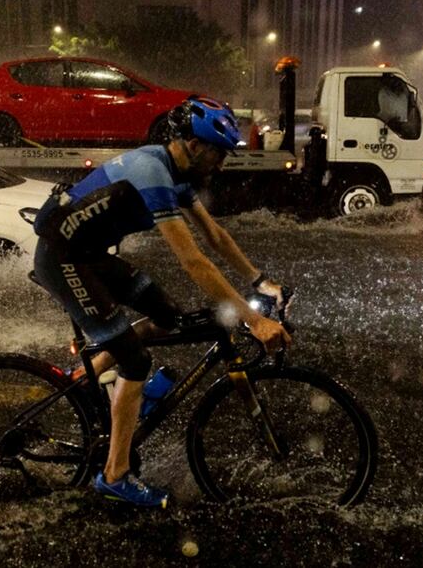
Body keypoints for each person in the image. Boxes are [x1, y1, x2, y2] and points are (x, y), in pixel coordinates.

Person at [31, 96, 292, 508]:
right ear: (192, 144)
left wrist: (260, 280)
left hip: (92, 257)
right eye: (218, 154)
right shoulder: (151, 171)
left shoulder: (177, 171)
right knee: (135, 361)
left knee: (170, 317)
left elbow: (215, 237)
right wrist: (252, 321)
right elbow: (193, 261)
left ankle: (85, 377)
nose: (221, 164)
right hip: (62, 260)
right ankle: (114, 476)